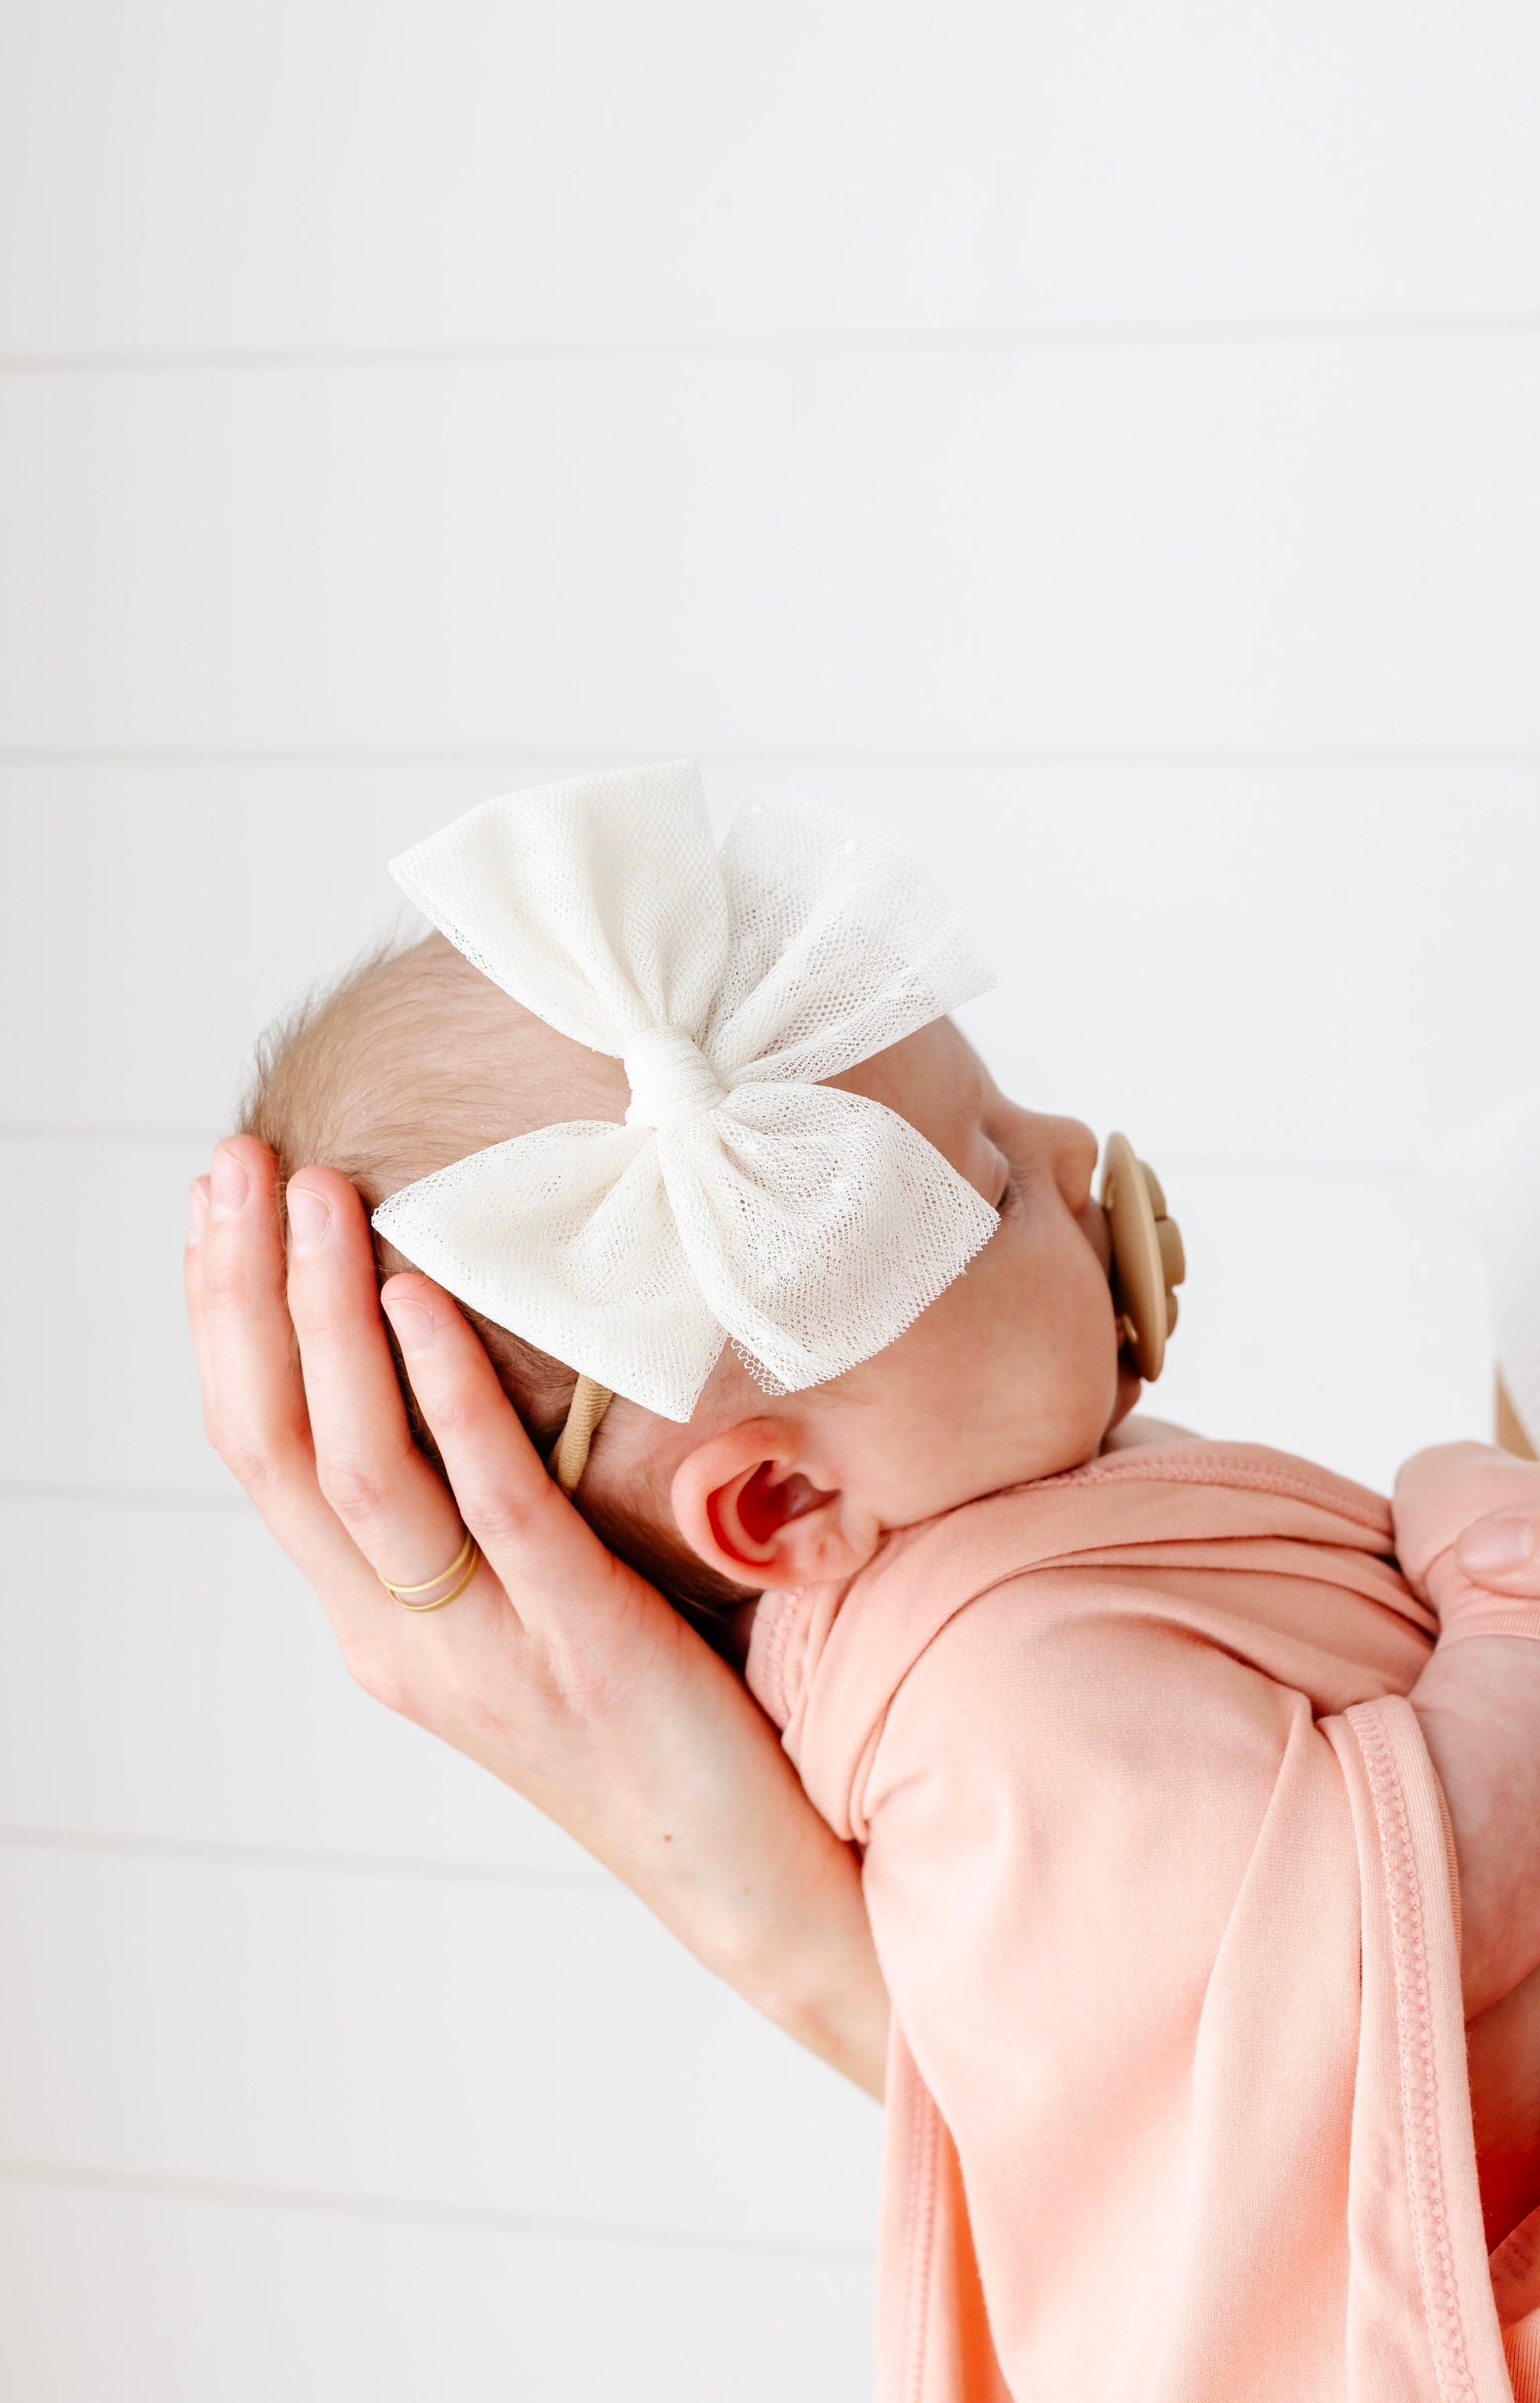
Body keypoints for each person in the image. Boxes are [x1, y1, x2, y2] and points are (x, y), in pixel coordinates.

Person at [186, 764, 1540, 2397]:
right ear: (780, 1499)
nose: (1061, 1149)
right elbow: (1411, 1920)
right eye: (979, 1177)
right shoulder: (1006, 1708)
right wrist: (1503, 1571)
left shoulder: (1013, 1541)